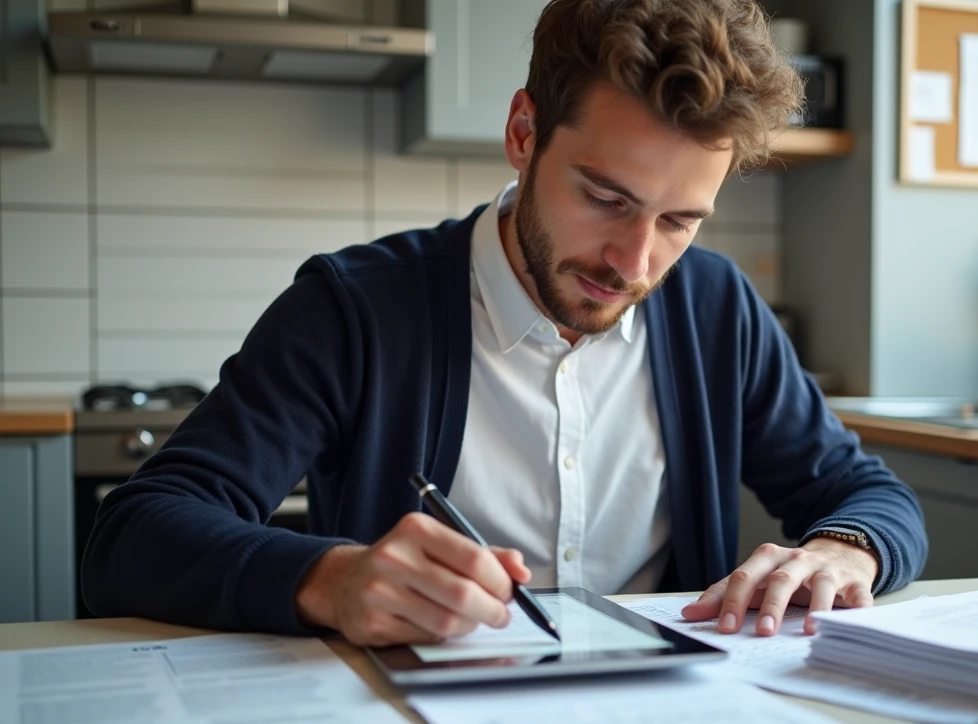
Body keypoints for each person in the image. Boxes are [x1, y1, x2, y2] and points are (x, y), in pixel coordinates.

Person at [82, 0, 927, 646]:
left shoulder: (716, 309)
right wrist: (330, 580)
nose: (633, 264)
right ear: (524, 133)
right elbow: (135, 533)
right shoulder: (355, 307)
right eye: (606, 199)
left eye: (679, 221)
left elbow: (867, 496)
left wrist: (848, 548)